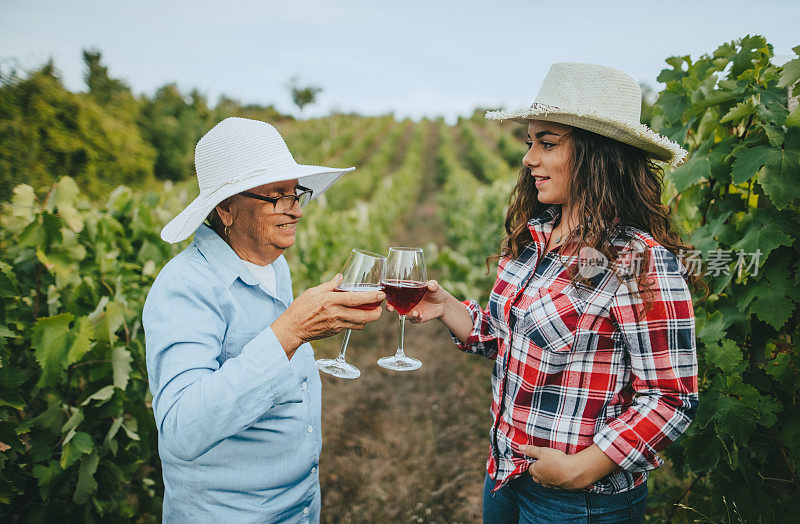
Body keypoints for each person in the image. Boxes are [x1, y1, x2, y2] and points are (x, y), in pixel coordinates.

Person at [398, 63, 704, 523]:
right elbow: (509, 338)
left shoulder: (637, 260)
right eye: (530, 142)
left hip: (579, 500)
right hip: (505, 473)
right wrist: (446, 307)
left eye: (548, 143)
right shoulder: (535, 239)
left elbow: (671, 397)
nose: (528, 158)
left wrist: (582, 469)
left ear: (597, 154)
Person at [143, 117, 385, 523]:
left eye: (296, 194)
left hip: (298, 507)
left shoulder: (273, 264)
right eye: (278, 197)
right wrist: (290, 332)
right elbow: (180, 430)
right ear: (225, 208)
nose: (295, 211)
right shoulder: (184, 288)